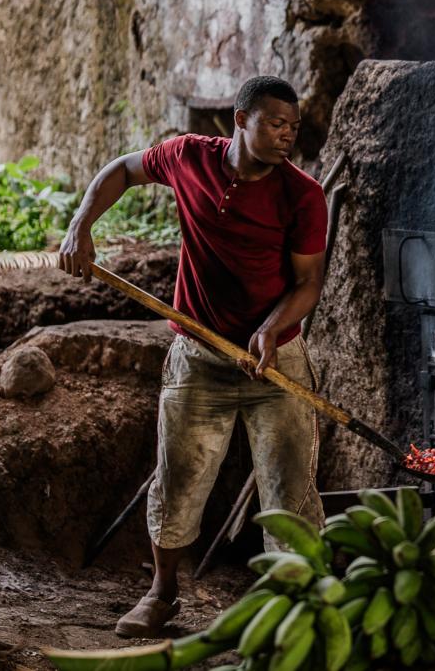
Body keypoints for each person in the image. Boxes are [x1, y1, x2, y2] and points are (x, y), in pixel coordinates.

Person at [58, 75, 329, 638]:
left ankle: (293, 606)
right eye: (275, 124)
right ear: (240, 120)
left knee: (290, 493)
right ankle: (161, 594)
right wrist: (82, 224)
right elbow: (123, 170)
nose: (286, 136)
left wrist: (273, 328)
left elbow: (308, 283)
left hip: (275, 365)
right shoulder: (188, 157)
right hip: (198, 355)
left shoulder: (302, 195)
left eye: (293, 128)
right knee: (178, 480)